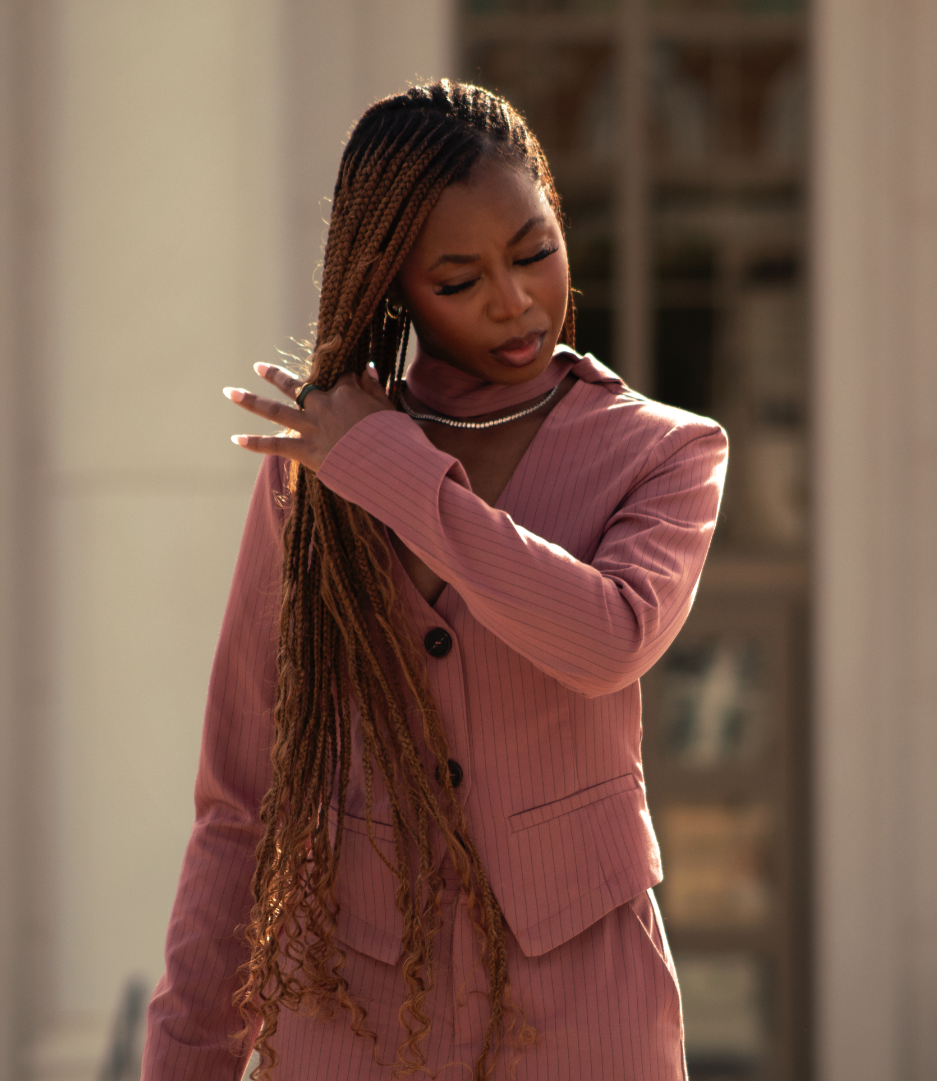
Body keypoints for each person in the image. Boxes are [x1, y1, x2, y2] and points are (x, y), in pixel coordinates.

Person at [143, 81, 727, 1081]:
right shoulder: (313, 473)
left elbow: (606, 638)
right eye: (459, 279)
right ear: (396, 287)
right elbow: (242, 800)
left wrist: (396, 472)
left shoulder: (664, 452)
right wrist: (185, 1058)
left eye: (534, 251)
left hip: (582, 1011)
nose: (514, 299)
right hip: (349, 1007)